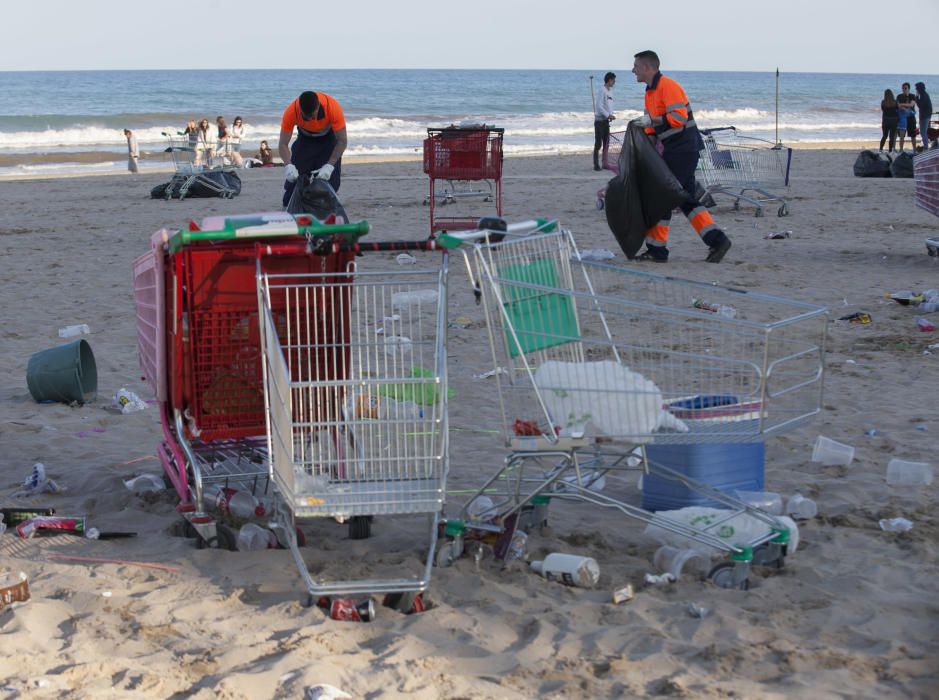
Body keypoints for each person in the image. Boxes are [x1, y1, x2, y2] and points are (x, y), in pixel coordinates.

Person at [631, 50, 731, 263]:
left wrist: (652, 122)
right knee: (686, 199)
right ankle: (717, 240)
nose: (633, 70)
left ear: (648, 68)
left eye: (636, 67)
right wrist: (646, 144)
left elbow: (678, 118)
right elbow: (652, 128)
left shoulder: (668, 86)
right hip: (676, 150)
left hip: (684, 149)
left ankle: (657, 250)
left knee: (662, 195)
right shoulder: (650, 92)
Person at [279, 90, 347, 207]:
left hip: (328, 139)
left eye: (313, 116)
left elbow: (342, 140)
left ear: (317, 108)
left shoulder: (332, 107)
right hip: (305, 139)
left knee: (329, 181)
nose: (311, 120)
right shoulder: (291, 111)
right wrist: (288, 165)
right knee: (293, 183)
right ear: (300, 110)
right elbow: (283, 144)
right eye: (306, 117)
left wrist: (330, 165)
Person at [593, 72, 616, 171]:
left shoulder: (610, 91)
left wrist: (610, 115)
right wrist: (608, 115)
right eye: (614, 80)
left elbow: (608, 106)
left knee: (606, 143)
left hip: (606, 122)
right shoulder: (602, 90)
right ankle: (596, 164)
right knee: (598, 143)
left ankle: (604, 163)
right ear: (609, 80)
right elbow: (599, 106)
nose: (614, 82)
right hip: (599, 122)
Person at [897, 83, 917, 152]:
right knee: (901, 136)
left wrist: (902, 104)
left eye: (905, 88)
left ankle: (914, 150)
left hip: (911, 118)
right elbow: (898, 106)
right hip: (902, 118)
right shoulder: (899, 96)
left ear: (909, 89)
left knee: (913, 135)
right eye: (903, 88)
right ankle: (901, 150)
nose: (904, 89)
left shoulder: (912, 96)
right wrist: (904, 108)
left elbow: (911, 104)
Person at [915, 82, 933, 151]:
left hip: (925, 116)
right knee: (923, 132)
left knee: (923, 132)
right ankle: (926, 146)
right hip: (926, 115)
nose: (916, 90)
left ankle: (926, 148)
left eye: (917, 89)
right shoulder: (924, 95)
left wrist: (916, 97)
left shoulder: (924, 95)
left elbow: (920, 105)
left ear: (919, 89)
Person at [880, 89, 899, 153]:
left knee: (884, 136)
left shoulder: (883, 102)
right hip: (894, 121)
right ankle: (890, 151)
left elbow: (883, 110)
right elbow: (897, 109)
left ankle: (881, 149)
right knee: (892, 137)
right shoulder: (895, 102)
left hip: (886, 121)